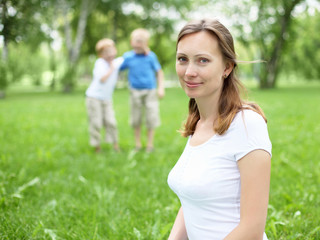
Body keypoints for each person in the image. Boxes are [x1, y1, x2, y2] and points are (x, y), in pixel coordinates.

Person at [167, 19, 272, 240]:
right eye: (182, 59)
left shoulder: (247, 124)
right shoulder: (198, 123)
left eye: (203, 60)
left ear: (227, 67)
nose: (189, 72)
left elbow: (252, 229)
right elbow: (191, 202)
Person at [120, 28, 165, 152]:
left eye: (142, 41)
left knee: (151, 117)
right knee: (136, 118)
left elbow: (159, 72)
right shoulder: (128, 57)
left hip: (150, 91)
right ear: (131, 42)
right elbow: (117, 67)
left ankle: (150, 145)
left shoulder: (151, 56)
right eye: (137, 41)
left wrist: (160, 88)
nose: (139, 44)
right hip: (135, 91)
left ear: (146, 43)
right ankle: (138, 144)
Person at [85, 38, 123, 153]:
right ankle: (97, 147)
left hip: (107, 99)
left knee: (111, 121)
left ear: (115, 50)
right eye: (105, 53)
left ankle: (115, 145)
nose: (109, 54)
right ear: (100, 55)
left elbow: (129, 57)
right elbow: (102, 79)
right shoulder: (100, 63)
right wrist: (111, 69)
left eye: (111, 51)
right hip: (94, 98)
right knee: (96, 123)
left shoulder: (117, 62)